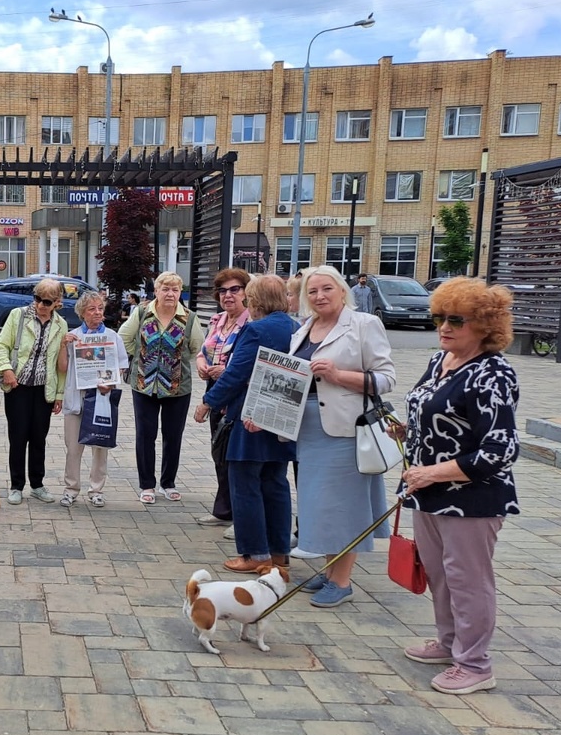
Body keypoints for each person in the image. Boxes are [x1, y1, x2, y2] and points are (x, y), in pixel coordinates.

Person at [397, 278, 519, 695]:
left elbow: (501, 449)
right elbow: (434, 413)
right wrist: (409, 435)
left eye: (456, 320)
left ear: (485, 326)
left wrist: (432, 472)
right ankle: (450, 643)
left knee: (469, 581)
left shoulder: (492, 373)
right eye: (439, 318)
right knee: (441, 575)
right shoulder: (440, 360)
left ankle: (475, 664)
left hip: (472, 497)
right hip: (428, 491)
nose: (444, 327)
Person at [287, 265, 396, 607]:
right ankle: (331, 570)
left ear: (342, 291)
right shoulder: (304, 328)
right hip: (308, 430)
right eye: (312, 291)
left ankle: (342, 581)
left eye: (326, 289)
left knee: (344, 505)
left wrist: (339, 375)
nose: (319, 296)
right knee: (319, 504)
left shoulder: (364, 324)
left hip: (347, 430)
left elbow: (386, 379)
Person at [194, 275, 297, 572]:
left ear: (256, 300)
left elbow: (236, 374)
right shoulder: (295, 327)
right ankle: (279, 552)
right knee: (276, 484)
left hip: (251, 416)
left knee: (244, 484)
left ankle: (255, 554)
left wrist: (208, 402)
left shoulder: (256, 329)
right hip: (282, 417)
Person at [119, 271, 204, 505]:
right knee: (145, 435)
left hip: (178, 387)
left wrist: (177, 361)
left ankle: (168, 483)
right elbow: (123, 337)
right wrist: (140, 356)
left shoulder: (189, 318)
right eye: (165, 289)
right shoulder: (142, 313)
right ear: (156, 291)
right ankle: (147, 484)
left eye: (175, 289)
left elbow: (197, 347)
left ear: (180, 293)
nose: (170, 294)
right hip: (144, 384)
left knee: (173, 436)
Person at [0, 277, 68, 505]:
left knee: (38, 438)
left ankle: (37, 485)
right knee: (18, 437)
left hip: (44, 388)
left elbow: (60, 364)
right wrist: (6, 369)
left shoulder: (61, 324)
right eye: (37, 298)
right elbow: (1, 345)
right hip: (18, 386)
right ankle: (16, 486)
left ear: (56, 302)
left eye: (47, 301)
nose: (40, 305)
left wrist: (59, 394)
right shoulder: (18, 315)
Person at [57, 291, 128, 508]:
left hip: (101, 398)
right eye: (91, 309)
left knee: (100, 446)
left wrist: (110, 383)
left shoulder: (112, 337)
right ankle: (71, 489)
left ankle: (96, 490)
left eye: (100, 308)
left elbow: (121, 365)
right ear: (82, 313)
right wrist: (63, 345)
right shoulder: (73, 336)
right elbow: (62, 368)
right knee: (73, 447)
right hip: (76, 398)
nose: (97, 312)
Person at [194, 268, 251, 526]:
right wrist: (201, 364)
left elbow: (246, 364)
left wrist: (225, 371)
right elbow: (203, 351)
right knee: (218, 451)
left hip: (237, 395)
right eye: (222, 291)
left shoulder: (250, 324)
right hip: (214, 390)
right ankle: (224, 510)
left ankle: (237, 513)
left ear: (246, 292)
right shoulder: (217, 320)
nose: (228, 295)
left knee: (233, 455)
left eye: (234, 289)